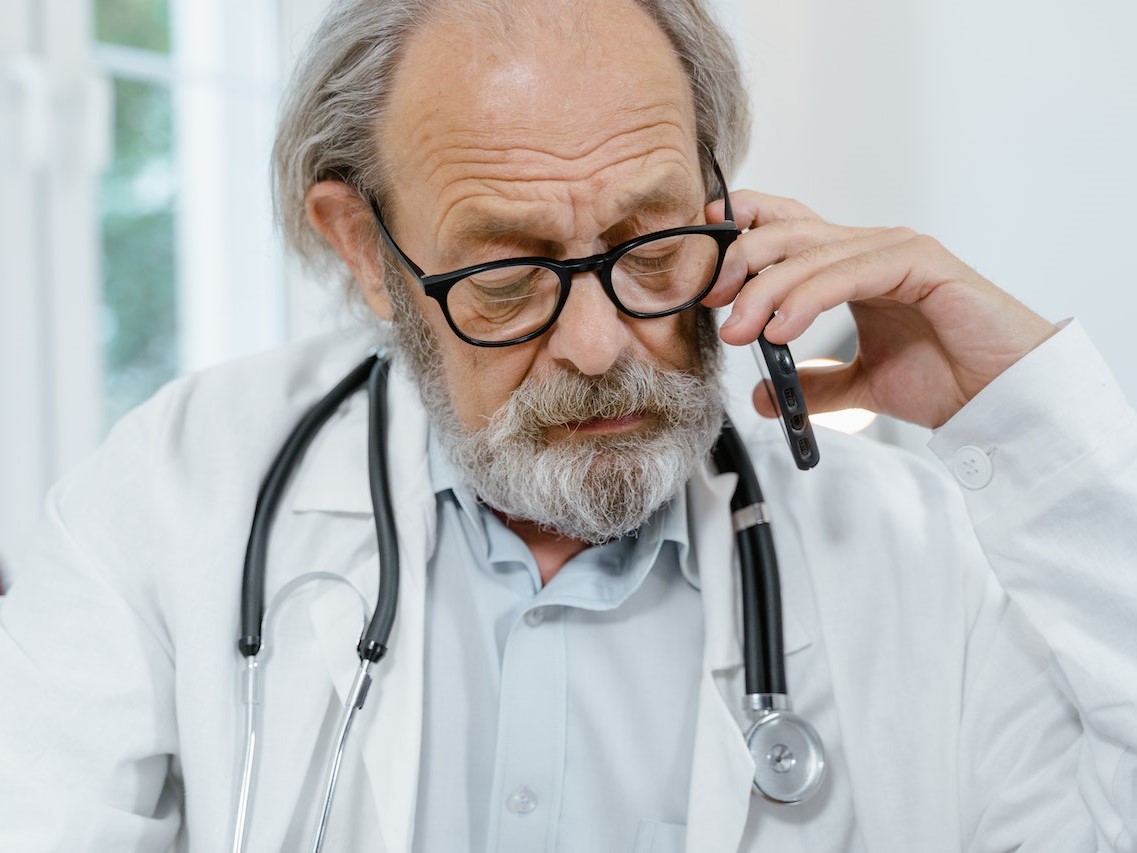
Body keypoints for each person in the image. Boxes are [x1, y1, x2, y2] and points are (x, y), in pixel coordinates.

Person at [1, 0, 1135, 850]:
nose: (598, 345)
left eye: (651, 244)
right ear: (365, 249)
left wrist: (1029, 411)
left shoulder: (918, 556)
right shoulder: (174, 501)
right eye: (505, 273)